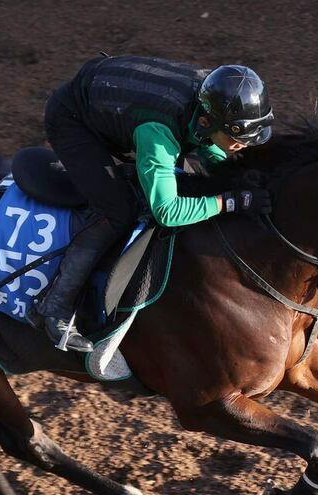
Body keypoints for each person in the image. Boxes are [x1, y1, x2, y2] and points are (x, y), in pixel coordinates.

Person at [36, 55, 275, 352]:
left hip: (117, 99)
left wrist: (236, 178)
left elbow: (210, 149)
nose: (243, 147)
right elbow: (168, 212)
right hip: (73, 119)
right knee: (118, 211)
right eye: (238, 140)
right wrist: (228, 202)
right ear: (205, 121)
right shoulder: (159, 132)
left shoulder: (211, 97)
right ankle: (53, 306)